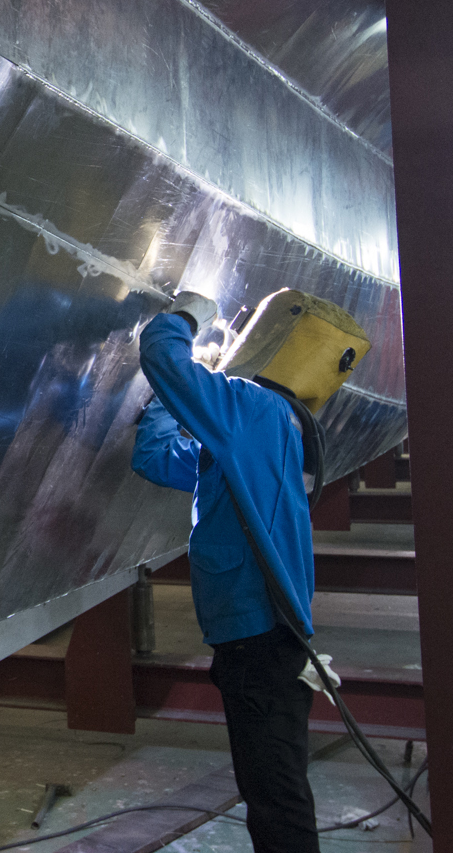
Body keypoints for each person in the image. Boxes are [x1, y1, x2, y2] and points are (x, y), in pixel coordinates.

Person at [132, 290, 324, 853]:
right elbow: (158, 458)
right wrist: (179, 400)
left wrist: (188, 318)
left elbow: (163, 357)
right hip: (254, 639)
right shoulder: (257, 434)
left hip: (260, 638)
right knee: (268, 784)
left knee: (274, 793)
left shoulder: (253, 409)